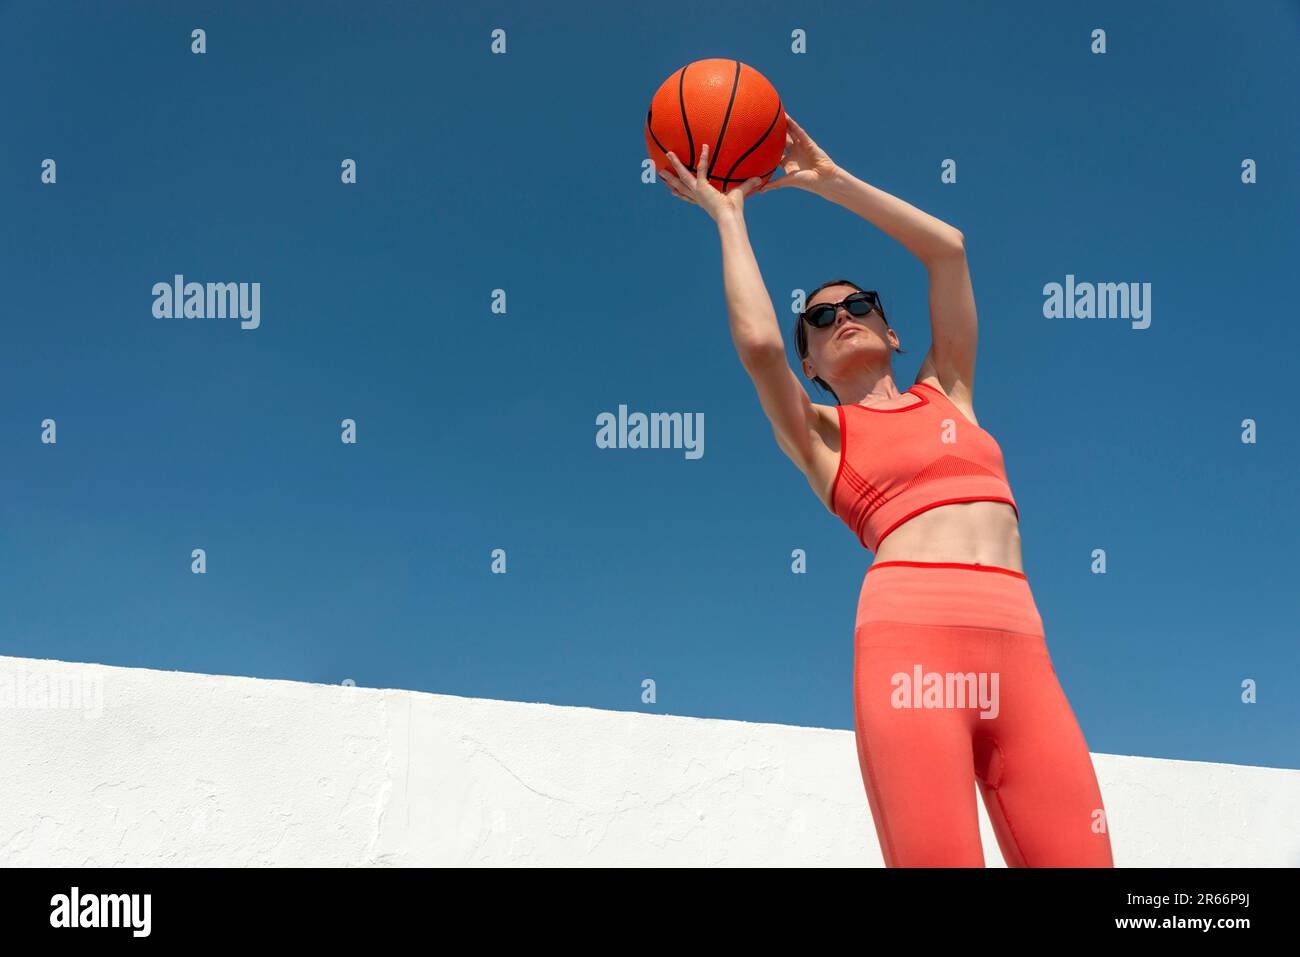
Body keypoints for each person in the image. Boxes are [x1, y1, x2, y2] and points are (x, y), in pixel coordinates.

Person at [656, 117, 1114, 867]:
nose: (842, 318)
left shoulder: (951, 391)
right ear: (812, 362)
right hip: (909, 647)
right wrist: (729, 216)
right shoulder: (821, 436)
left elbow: (949, 249)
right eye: (821, 317)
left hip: (1023, 650)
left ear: (892, 332)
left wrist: (829, 179)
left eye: (858, 305)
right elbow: (760, 346)